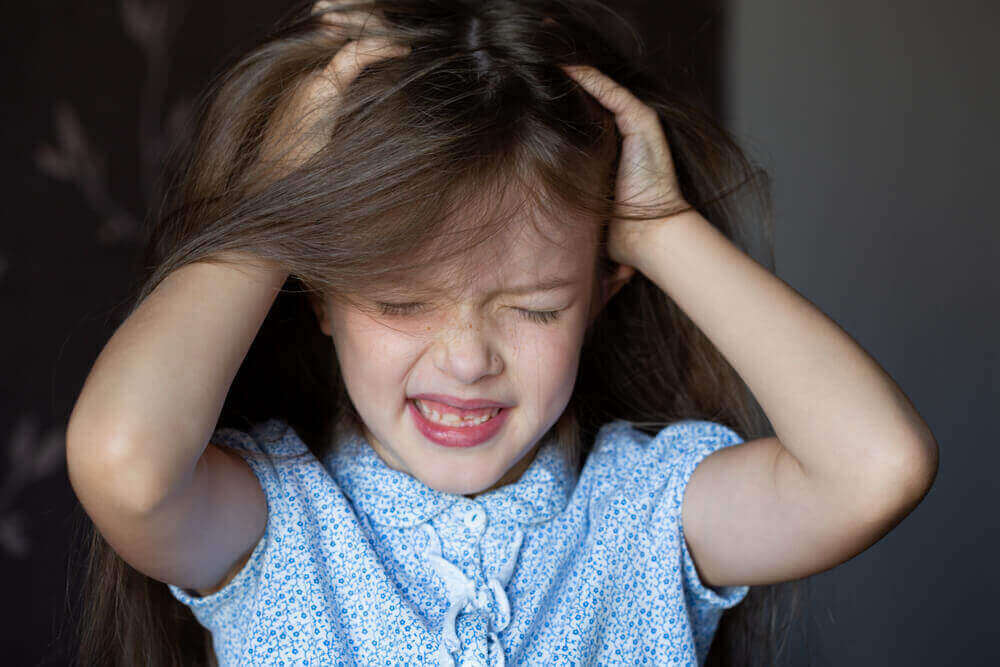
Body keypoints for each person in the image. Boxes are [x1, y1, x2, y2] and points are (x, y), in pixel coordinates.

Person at [64, 1, 939, 665]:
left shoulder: (648, 516)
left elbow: (878, 467)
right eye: (401, 302)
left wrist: (661, 229)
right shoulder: (276, 520)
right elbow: (123, 463)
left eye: (534, 308)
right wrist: (274, 216)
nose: (467, 358)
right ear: (320, 297)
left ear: (600, 294)